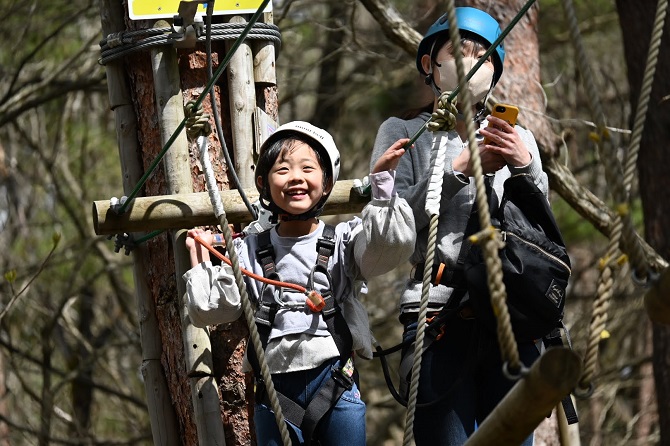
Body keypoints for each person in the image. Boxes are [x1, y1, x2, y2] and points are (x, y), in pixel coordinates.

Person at [369, 7, 549, 446]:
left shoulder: (518, 137)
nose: (471, 64)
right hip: (438, 310)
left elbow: (541, 225)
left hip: (509, 312)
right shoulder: (404, 132)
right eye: (459, 53)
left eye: (482, 57)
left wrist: (524, 167)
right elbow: (394, 225)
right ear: (429, 64)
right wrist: (459, 170)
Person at [184, 121, 416, 446]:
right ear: (264, 184)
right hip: (274, 391)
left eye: (308, 168)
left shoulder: (344, 242)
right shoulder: (247, 250)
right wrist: (199, 258)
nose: (296, 177)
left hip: (335, 383)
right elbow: (211, 310)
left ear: (327, 182)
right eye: (283, 169)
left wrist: (383, 184)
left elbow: (388, 247)